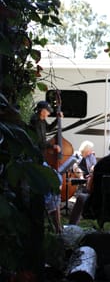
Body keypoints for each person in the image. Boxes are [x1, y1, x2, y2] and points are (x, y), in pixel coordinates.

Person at [69, 136, 110, 225]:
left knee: (81, 197)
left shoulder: (104, 163)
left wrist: (90, 181)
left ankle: (70, 228)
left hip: (103, 207)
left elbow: (91, 190)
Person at [29, 100, 64, 234]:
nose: (49, 113)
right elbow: (39, 142)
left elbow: (49, 129)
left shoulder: (41, 121)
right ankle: (50, 206)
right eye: (48, 111)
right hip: (36, 158)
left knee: (56, 179)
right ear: (42, 111)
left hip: (40, 157)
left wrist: (57, 119)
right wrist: (52, 146)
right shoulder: (35, 122)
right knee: (56, 179)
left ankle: (51, 207)